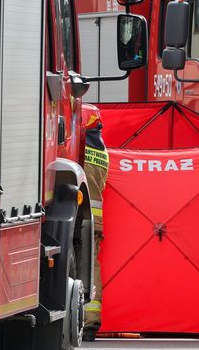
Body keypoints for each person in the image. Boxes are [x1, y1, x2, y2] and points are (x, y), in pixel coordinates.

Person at [81, 104, 109, 341]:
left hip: (80, 218)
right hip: (96, 221)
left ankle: (88, 320)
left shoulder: (79, 148)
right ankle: (90, 320)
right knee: (91, 267)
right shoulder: (103, 151)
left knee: (80, 267)